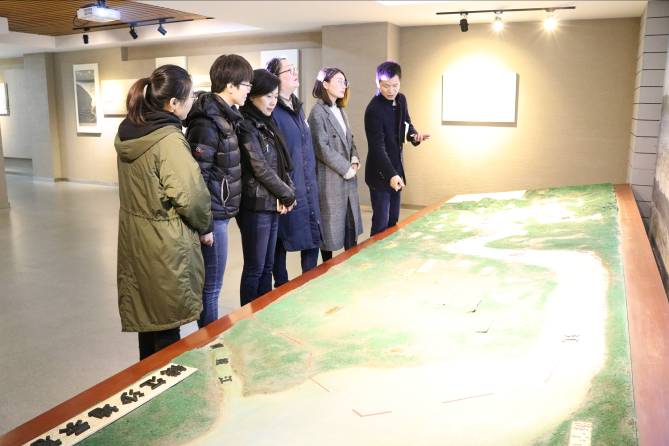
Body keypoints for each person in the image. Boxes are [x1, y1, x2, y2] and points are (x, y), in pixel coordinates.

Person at [115, 65, 211, 360]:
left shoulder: (129, 132)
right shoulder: (168, 140)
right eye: (190, 96)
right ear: (173, 103)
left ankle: (146, 379)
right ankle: (167, 382)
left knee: (149, 317)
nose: (193, 101)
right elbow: (190, 196)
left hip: (136, 238)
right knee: (167, 323)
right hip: (165, 242)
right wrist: (205, 225)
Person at [184, 54, 253, 327]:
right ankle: (208, 340)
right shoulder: (207, 123)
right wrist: (206, 225)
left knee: (213, 286)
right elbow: (198, 177)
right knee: (211, 287)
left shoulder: (226, 117)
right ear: (230, 86)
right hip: (213, 216)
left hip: (220, 211)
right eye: (246, 84)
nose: (249, 90)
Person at [236, 69, 296, 306]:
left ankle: (262, 311)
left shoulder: (268, 123)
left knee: (267, 267)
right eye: (268, 96)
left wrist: (287, 192)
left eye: (275, 96)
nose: (272, 102)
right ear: (253, 96)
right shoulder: (246, 125)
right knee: (255, 268)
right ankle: (246, 318)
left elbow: (280, 164)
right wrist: (287, 194)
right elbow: (259, 167)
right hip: (255, 205)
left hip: (271, 203)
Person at [266, 58, 321, 287]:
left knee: (312, 237)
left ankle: (309, 285)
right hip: (286, 188)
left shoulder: (298, 108)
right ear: (276, 79)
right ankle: (281, 286)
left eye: (294, 69)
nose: (295, 73)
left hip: (307, 186)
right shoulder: (273, 112)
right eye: (289, 71)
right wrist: (282, 190)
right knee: (280, 241)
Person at [364, 61, 430, 236]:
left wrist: (414, 136)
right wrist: (391, 175)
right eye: (386, 86)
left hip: (396, 169)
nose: (391, 90)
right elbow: (377, 148)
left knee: (393, 221)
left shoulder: (401, 100)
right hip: (379, 173)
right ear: (377, 82)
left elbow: (406, 125)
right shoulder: (373, 110)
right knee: (381, 224)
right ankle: (375, 253)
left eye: (395, 85)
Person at [308, 67, 363, 261]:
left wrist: (354, 158)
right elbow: (321, 148)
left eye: (345, 81)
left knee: (350, 227)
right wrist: (346, 168)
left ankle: (351, 266)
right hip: (330, 180)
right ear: (325, 84)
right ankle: (328, 270)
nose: (344, 85)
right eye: (339, 81)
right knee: (330, 232)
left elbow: (350, 140)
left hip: (347, 180)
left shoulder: (341, 110)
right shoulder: (317, 112)